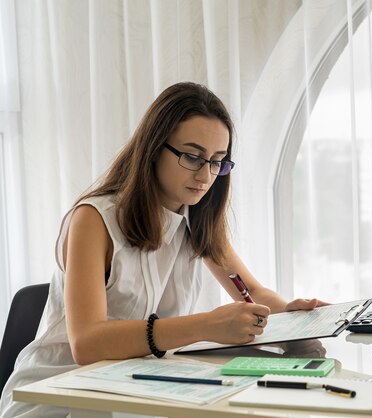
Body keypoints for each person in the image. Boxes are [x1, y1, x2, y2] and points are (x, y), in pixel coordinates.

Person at [0, 82, 325, 417]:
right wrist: (205, 325)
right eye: (192, 157)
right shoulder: (93, 219)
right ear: (154, 148)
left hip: (136, 385)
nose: (206, 175)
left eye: (217, 162)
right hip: (60, 393)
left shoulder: (197, 219)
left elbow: (251, 291)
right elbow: (87, 343)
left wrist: (289, 311)